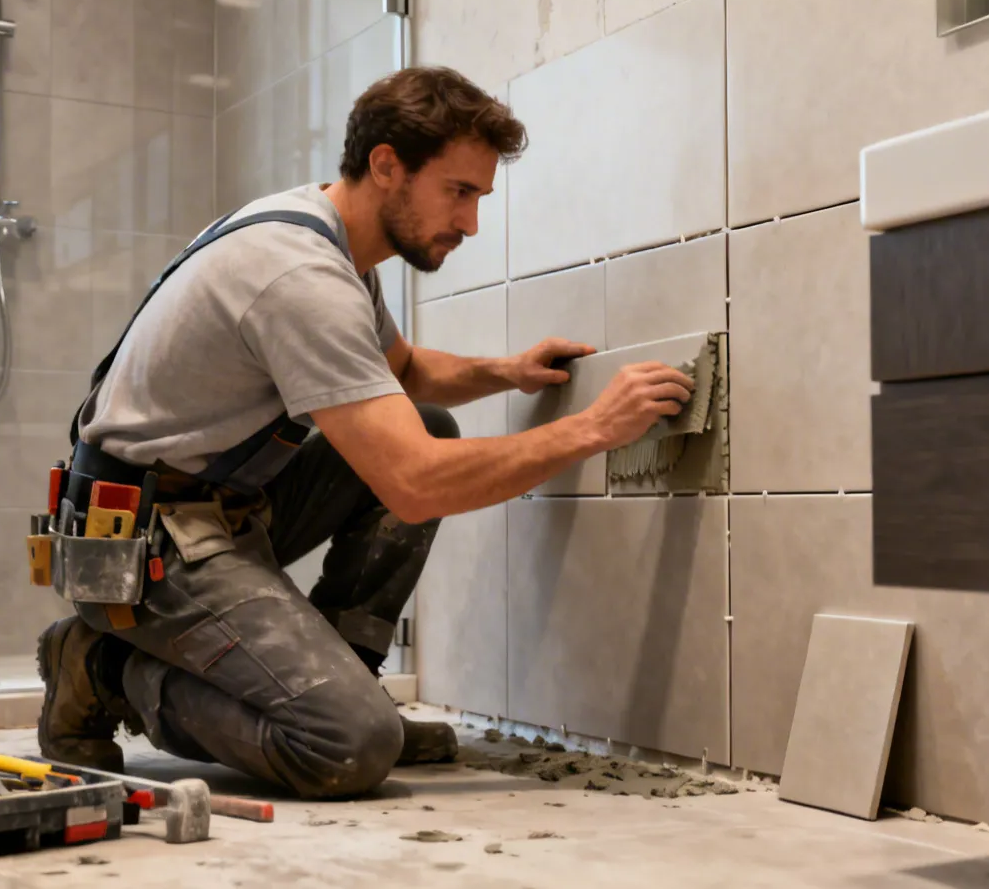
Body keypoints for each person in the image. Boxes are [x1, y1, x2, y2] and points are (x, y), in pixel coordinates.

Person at [36, 66, 696, 800]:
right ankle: (101, 670)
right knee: (344, 745)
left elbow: (404, 373)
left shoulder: (329, 239)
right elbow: (412, 486)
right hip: (136, 545)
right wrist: (593, 429)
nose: (472, 222)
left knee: (427, 425)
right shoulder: (299, 277)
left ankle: (347, 676)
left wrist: (506, 371)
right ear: (387, 165)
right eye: (460, 191)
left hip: (210, 512)